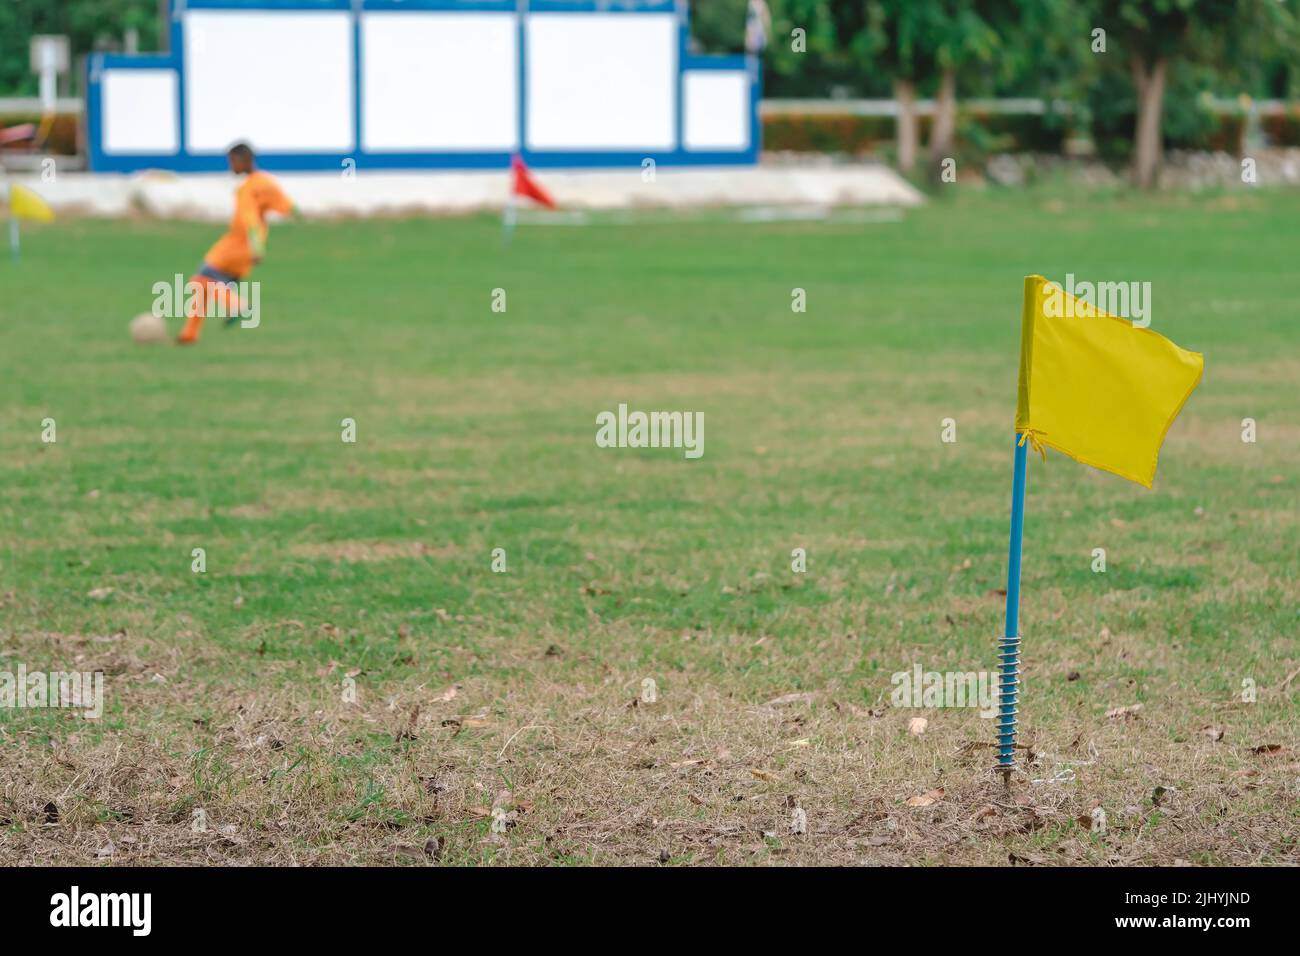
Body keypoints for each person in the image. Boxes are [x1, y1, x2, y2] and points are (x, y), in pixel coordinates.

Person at [176, 142, 293, 344]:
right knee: (205, 286)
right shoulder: (266, 182)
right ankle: (189, 335)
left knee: (202, 280)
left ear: (243, 160)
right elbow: (288, 207)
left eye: (232, 161)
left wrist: (256, 248)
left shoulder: (247, 189)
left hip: (237, 245)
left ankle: (238, 305)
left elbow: (250, 221)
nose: (230, 166)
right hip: (247, 246)